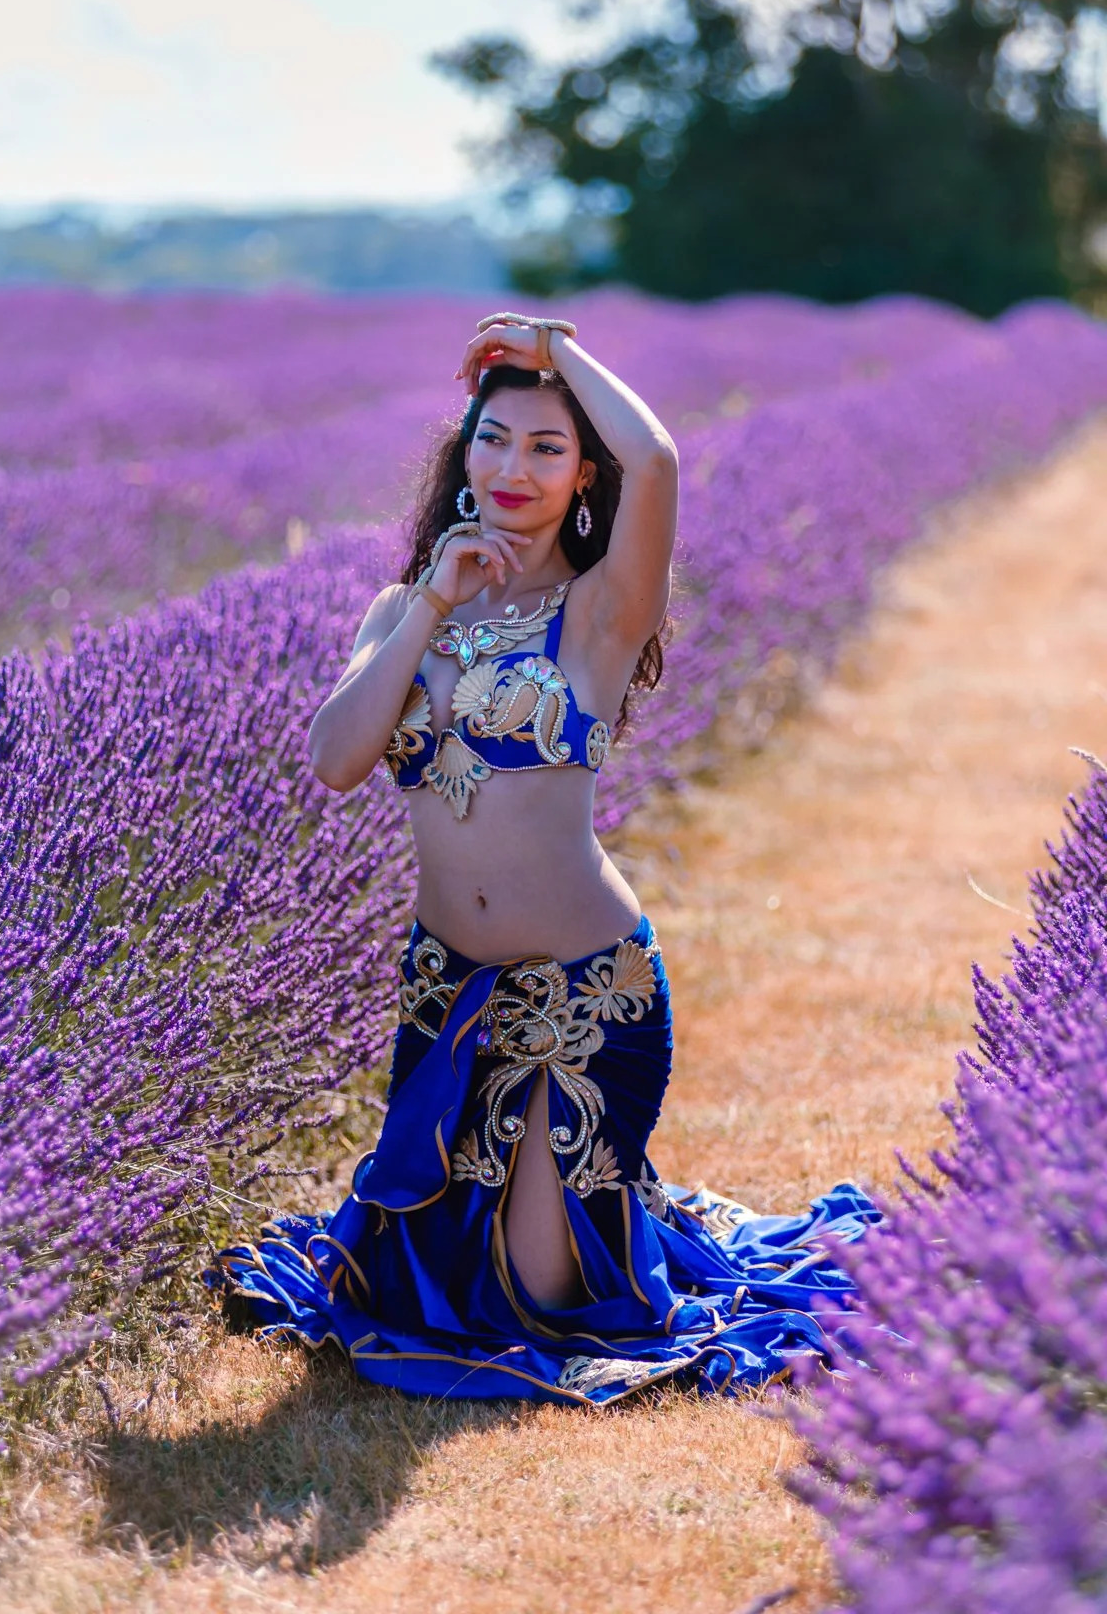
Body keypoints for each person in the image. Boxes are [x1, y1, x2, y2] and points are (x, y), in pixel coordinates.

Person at [205, 313, 882, 1407]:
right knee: (423, 1288)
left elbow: (657, 457)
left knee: (537, 1291)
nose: (512, 468)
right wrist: (431, 601)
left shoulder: (602, 611)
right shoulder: (403, 610)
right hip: (449, 995)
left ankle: (618, 1203)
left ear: (581, 479)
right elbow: (335, 760)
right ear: (461, 453)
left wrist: (553, 350)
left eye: (546, 448)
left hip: (586, 993)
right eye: (493, 440)